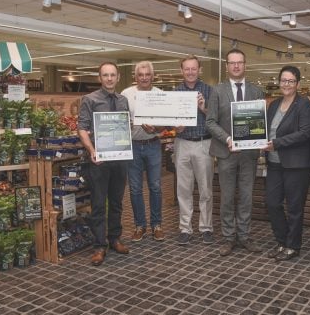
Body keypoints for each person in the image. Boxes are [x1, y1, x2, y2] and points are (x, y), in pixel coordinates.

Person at [206, 48, 265, 256]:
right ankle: (229, 238)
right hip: (226, 152)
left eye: (240, 62)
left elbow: (260, 122)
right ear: (226, 66)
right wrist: (228, 138)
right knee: (228, 197)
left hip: (249, 154)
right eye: (232, 63)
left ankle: (245, 236)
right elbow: (210, 122)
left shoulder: (256, 91)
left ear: (245, 64)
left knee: (247, 197)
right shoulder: (217, 91)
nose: (236, 66)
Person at [77, 62, 130, 266]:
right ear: (100, 78)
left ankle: (114, 238)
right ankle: (99, 246)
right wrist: (92, 151)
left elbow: (126, 126)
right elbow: (82, 128)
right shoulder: (90, 100)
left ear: (118, 78)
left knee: (116, 202)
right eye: (105, 75)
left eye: (112, 75)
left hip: (120, 159)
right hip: (99, 160)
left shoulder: (123, 100)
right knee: (98, 204)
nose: (109, 78)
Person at [263, 65, 310, 261]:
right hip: (274, 163)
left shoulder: (304, 105)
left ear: (298, 84)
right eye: (283, 80)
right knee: (272, 203)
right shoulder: (273, 105)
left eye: (291, 81)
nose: (286, 84)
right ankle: (282, 241)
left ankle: (293, 246)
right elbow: (265, 130)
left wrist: (276, 143)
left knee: (294, 207)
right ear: (278, 82)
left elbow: (304, 133)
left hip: (296, 165)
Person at [121, 61, 165, 242]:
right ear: (135, 76)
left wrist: (156, 127)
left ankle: (157, 225)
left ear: (152, 76)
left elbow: (166, 124)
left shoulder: (161, 95)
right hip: (133, 146)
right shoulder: (126, 94)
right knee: (135, 189)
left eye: (148, 74)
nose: (145, 78)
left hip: (153, 144)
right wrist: (128, 124)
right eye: (141, 75)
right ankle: (140, 225)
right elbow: (120, 120)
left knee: (155, 186)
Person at [174, 55, 214, 245]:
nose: (190, 72)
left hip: (203, 144)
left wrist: (204, 108)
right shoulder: (174, 93)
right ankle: (185, 228)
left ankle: (206, 227)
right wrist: (176, 126)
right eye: (186, 69)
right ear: (181, 71)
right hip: (182, 143)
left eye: (193, 69)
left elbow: (216, 118)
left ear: (200, 70)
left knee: (205, 189)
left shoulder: (209, 90)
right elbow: (171, 121)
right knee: (183, 189)